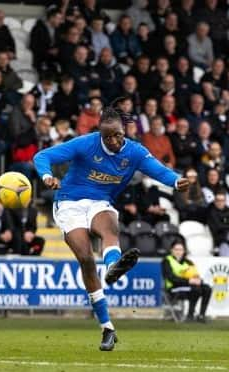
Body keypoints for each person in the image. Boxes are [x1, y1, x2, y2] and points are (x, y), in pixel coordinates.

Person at [33, 107, 189, 351]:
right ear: (100, 135)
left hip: (100, 202)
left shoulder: (135, 151)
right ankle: (107, 327)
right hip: (69, 202)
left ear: (123, 130)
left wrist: (176, 181)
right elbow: (42, 157)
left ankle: (113, 266)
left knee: (109, 227)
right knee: (85, 258)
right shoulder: (85, 144)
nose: (114, 140)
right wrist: (46, 177)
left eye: (118, 134)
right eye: (108, 137)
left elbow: (157, 169)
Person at [162, 240, 212, 322]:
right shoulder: (167, 261)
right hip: (173, 287)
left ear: (184, 251)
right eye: (176, 249)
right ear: (172, 250)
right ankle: (190, 315)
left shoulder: (188, 262)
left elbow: (195, 275)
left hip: (188, 286)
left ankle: (201, 315)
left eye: (180, 249)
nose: (178, 252)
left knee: (207, 288)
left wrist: (199, 281)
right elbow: (171, 278)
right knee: (195, 289)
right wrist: (189, 281)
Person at [207, 191, 229, 256]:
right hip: (219, 241)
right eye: (218, 200)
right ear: (214, 201)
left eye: (222, 200)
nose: (220, 202)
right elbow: (218, 226)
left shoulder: (227, 210)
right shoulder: (211, 212)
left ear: (225, 201)